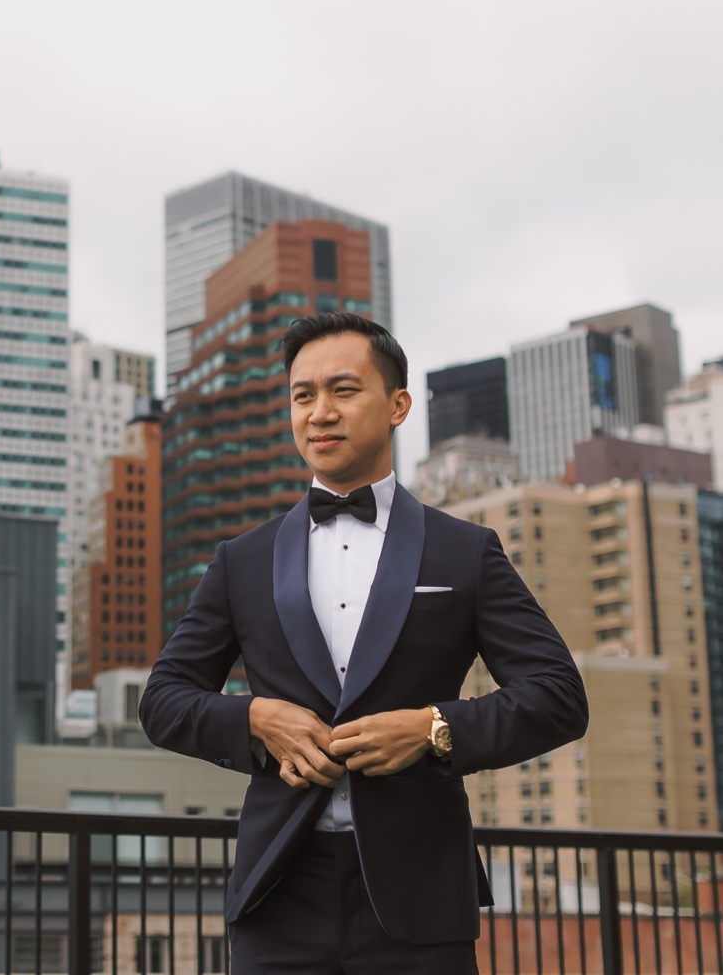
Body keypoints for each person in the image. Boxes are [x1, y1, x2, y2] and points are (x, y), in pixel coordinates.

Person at [138, 313, 587, 973]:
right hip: (277, 895)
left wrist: (434, 728)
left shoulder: (466, 552)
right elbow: (163, 702)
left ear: (398, 405)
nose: (319, 412)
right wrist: (256, 719)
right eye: (302, 395)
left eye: (343, 390)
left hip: (421, 897)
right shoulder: (241, 560)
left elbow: (558, 698)